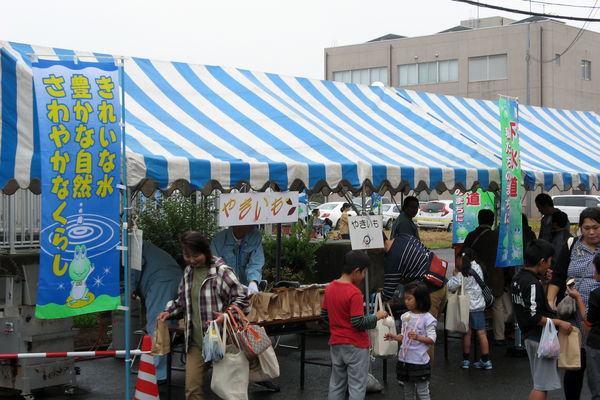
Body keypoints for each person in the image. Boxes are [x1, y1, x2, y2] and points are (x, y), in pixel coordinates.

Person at [157, 231, 249, 400]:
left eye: (196, 255)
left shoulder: (221, 271)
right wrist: (168, 312)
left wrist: (226, 315)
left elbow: (242, 298)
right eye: (187, 256)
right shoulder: (188, 272)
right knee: (192, 389)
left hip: (223, 341)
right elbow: (182, 301)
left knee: (229, 391)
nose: (192, 260)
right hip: (196, 342)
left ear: (205, 251)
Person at [547, 207, 600, 400]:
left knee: (598, 370)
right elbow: (558, 276)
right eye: (587, 228)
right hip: (575, 318)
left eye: (595, 227)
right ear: (580, 228)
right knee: (574, 365)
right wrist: (550, 302)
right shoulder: (572, 245)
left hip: (597, 319)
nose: (591, 232)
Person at [320, 250, 388, 400]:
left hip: (336, 343)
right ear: (357, 270)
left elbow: (324, 315)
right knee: (357, 386)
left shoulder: (330, 287)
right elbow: (358, 322)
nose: (363, 277)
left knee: (337, 383)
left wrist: (338, 325)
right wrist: (376, 316)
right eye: (364, 273)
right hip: (356, 345)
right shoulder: (354, 293)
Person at [511, 239, 573, 400]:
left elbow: (534, 304)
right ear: (541, 261)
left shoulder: (518, 278)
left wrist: (544, 283)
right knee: (541, 385)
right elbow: (535, 316)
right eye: (549, 262)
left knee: (540, 382)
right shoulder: (531, 283)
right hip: (540, 338)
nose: (549, 266)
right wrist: (560, 323)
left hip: (529, 336)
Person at [132, 241, 183, 384]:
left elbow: (134, 266)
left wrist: (131, 286)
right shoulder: (136, 241)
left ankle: (157, 375)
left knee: (157, 326)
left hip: (161, 281)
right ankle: (160, 370)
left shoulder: (130, 242)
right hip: (171, 277)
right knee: (164, 326)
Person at [461, 209, 510, 346]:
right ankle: (499, 336)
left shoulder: (471, 236)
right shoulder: (497, 237)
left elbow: (463, 255)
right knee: (497, 306)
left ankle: (474, 334)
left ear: (478, 219)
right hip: (495, 278)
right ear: (492, 220)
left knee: (475, 306)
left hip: (475, 278)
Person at [384, 281, 437, 400]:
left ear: (420, 299)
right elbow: (404, 337)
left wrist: (418, 337)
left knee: (422, 392)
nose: (406, 301)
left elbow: (432, 339)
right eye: (405, 298)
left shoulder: (428, 318)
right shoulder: (405, 316)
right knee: (407, 392)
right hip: (405, 360)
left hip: (419, 362)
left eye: (409, 298)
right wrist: (394, 337)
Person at [447, 248, 492, 369]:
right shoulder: (480, 268)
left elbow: (450, 286)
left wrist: (454, 275)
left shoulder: (463, 273)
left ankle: (466, 360)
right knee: (482, 333)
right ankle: (486, 360)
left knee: (467, 333)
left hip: (466, 306)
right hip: (479, 306)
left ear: (462, 259)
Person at [566, 253, 600, 400]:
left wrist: (578, 298)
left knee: (597, 385)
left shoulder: (596, 294)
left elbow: (588, 321)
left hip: (596, 344)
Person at [210, 225, 264, 294]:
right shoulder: (219, 239)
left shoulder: (255, 236)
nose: (253, 224)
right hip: (224, 289)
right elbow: (215, 265)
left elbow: (256, 262)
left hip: (247, 289)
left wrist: (253, 282)